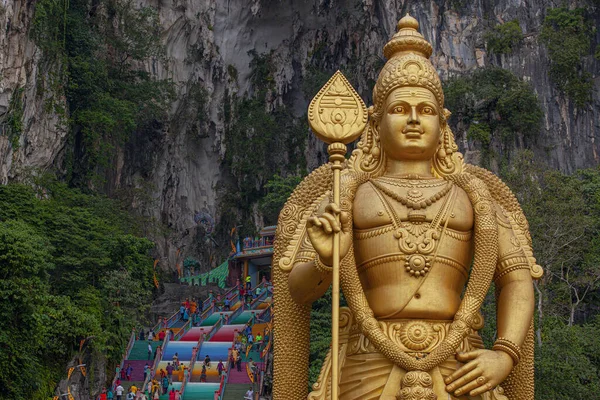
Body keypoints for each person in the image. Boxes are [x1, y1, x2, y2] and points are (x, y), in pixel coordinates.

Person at [275, 14, 539, 400]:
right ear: (375, 121)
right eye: (400, 109)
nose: (414, 119)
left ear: (442, 123)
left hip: (459, 366)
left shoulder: (475, 196)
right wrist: (325, 260)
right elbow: (296, 291)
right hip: (367, 365)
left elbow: (516, 278)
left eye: (426, 110)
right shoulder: (344, 193)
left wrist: (505, 354)